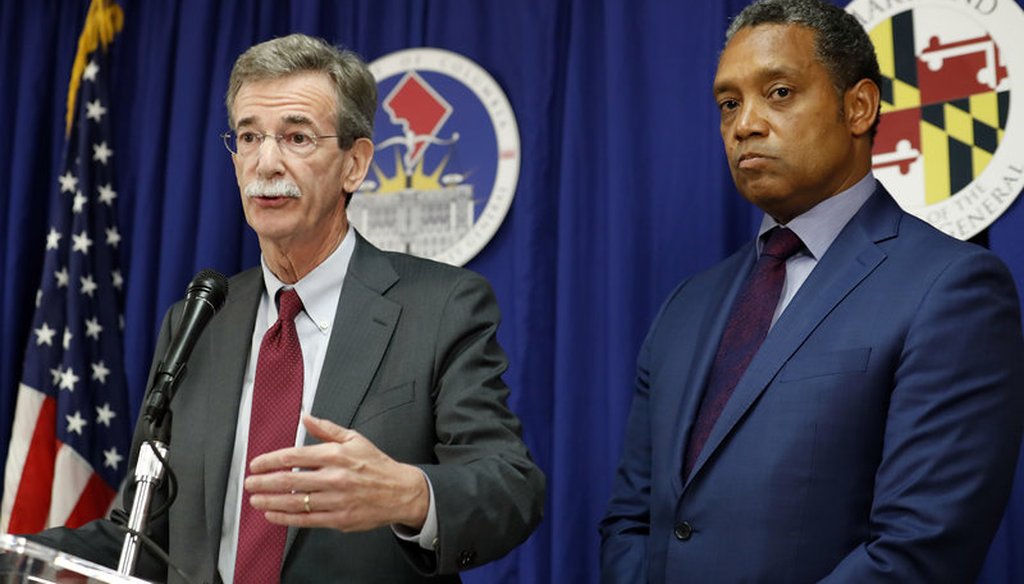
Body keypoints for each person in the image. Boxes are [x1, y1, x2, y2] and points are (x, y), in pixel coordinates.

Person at [28, 33, 544, 583]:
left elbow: (510, 487)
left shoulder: (440, 307)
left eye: (296, 137)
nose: (265, 162)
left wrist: (409, 493)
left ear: (355, 164)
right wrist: (21, 555)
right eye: (249, 136)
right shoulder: (199, 319)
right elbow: (140, 535)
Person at [599, 0, 1024, 582]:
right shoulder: (686, 305)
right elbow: (631, 522)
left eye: (778, 93)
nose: (744, 123)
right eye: (729, 103)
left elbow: (918, 550)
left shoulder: (951, 289)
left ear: (859, 107)